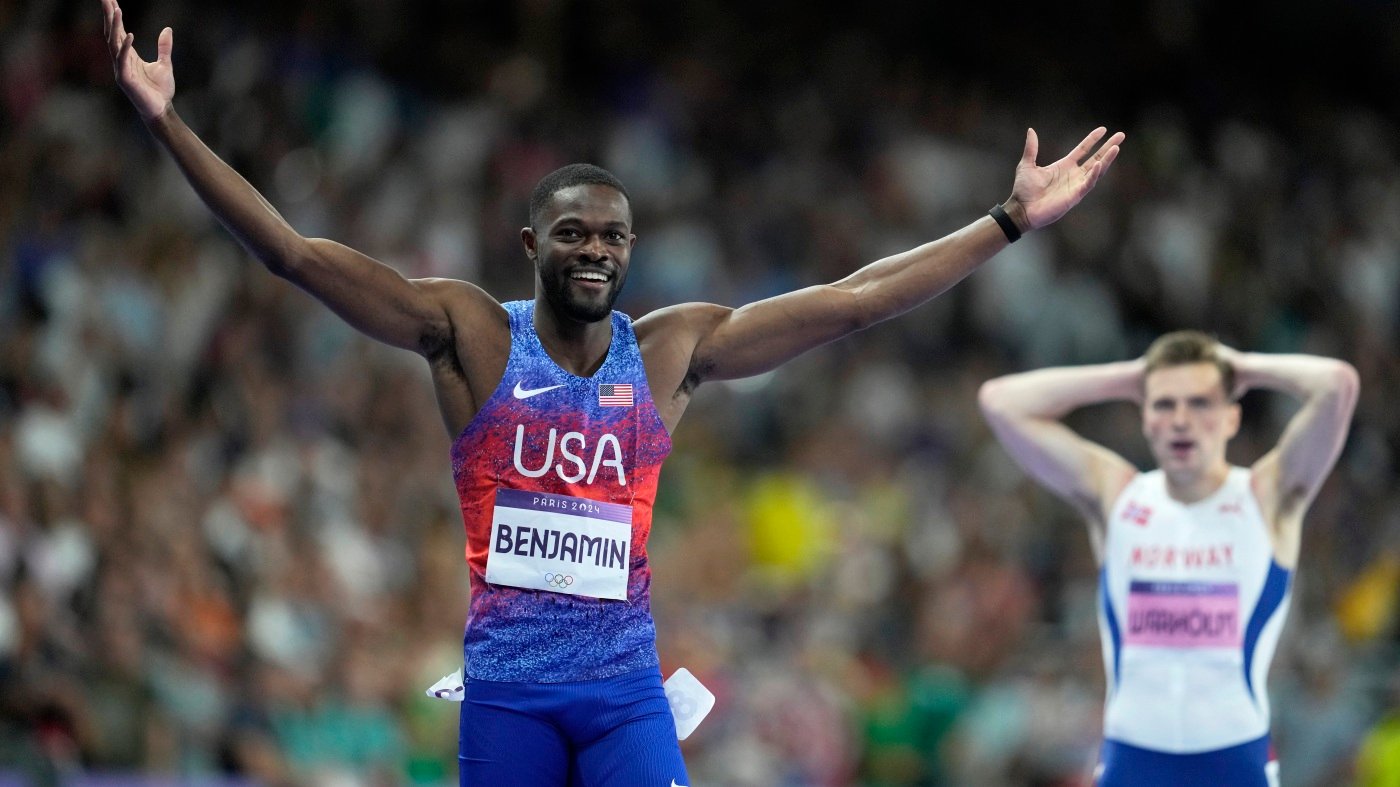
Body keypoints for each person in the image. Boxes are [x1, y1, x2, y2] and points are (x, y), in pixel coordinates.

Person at [100, 1, 1123, 783]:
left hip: (624, 693)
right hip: (507, 693)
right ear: (531, 243)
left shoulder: (670, 351)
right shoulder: (466, 332)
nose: (594, 249)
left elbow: (851, 302)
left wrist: (1003, 221)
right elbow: (288, 254)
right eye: (573, 232)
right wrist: (167, 123)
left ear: (631, 251)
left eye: (612, 236)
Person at [978, 331, 1359, 786]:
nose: (1181, 420)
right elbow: (1001, 402)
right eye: (1163, 404)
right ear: (1144, 418)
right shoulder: (1116, 494)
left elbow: (1337, 384)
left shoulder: (1267, 496)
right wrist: (1131, 377)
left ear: (1231, 417)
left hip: (1234, 761)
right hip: (1134, 760)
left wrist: (1242, 367)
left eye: (1200, 403)